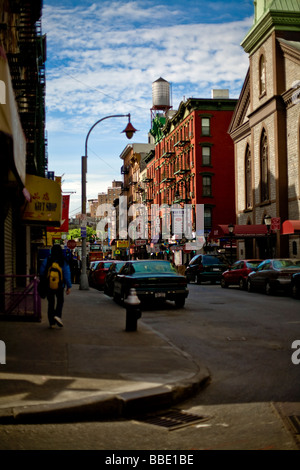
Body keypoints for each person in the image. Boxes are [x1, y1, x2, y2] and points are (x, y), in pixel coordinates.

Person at [39, 245, 72, 328]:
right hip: (60, 286)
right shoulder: (63, 261)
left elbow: (42, 272)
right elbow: (67, 274)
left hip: (49, 285)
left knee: (51, 303)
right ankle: (57, 315)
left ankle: (52, 323)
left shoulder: (47, 260)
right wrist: (69, 286)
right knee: (60, 301)